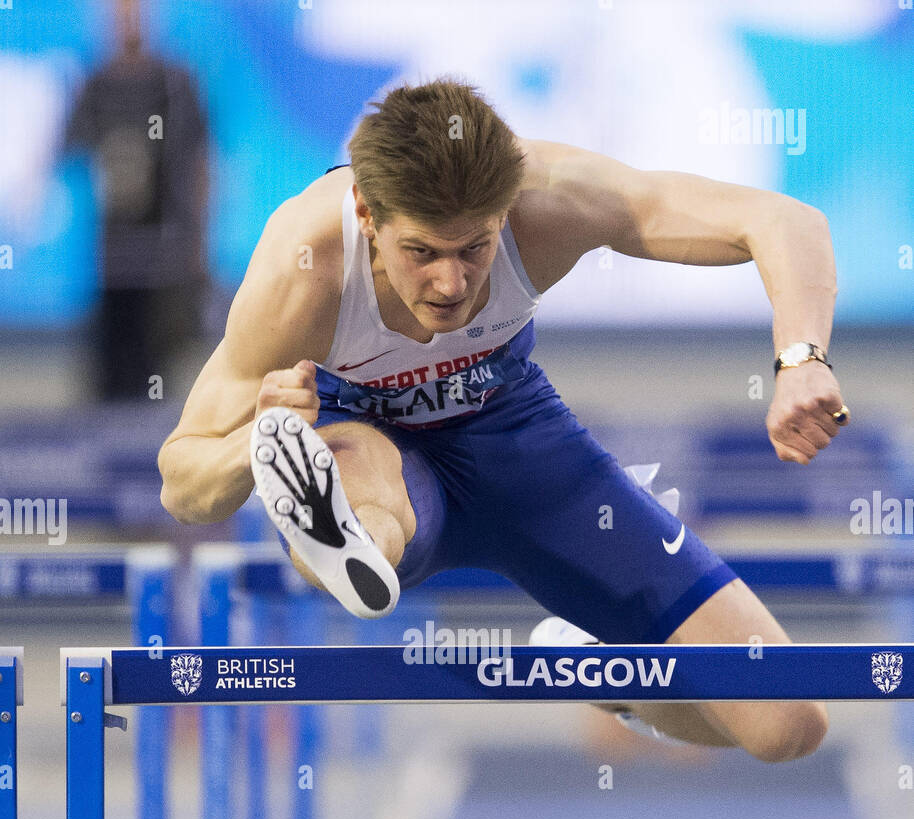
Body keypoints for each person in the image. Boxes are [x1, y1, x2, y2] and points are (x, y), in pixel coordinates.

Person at [159, 78, 849, 762]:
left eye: (475, 249)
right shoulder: (303, 266)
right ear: (368, 213)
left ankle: (593, 668)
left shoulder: (548, 197)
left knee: (789, 725)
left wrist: (802, 360)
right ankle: (345, 535)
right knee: (354, 480)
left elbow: (785, 222)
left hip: (519, 446)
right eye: (422, 252)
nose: (451, 284)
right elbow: (183, 484)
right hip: (377, 456)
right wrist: (257, 443)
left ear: (505, 210)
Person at [63, 0, 209, 400]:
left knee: (157, 380)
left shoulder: (175, 85)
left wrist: (197, 240)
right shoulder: (96, 85)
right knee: (110, 379)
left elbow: (201, 162)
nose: (127, 25)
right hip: (113, 257)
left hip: (165, 256)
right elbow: (66, 147)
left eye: (134, 15)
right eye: (119, 16)